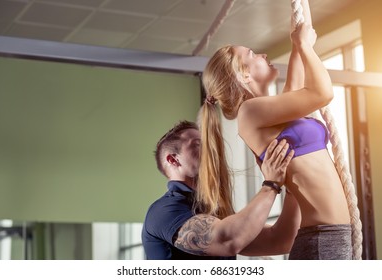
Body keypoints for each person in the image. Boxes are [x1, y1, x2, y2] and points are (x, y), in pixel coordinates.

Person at [198, 0, 352, 260]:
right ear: (243, 76)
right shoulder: (249, 113)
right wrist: (304, 45)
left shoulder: (274, 112)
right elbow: (323, 93)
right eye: (253, 54)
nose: (264, 55)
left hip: (329, 236)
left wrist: (300, 28)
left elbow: (302, 29)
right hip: (322, 239)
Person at [142, 120, 300, 260]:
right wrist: (271, 184)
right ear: (173, 159)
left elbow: (282, 240)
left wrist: (292, 186)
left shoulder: (213, 211)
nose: (211, 152)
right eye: (198, 144)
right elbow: (228, 240)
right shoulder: (164, 212)